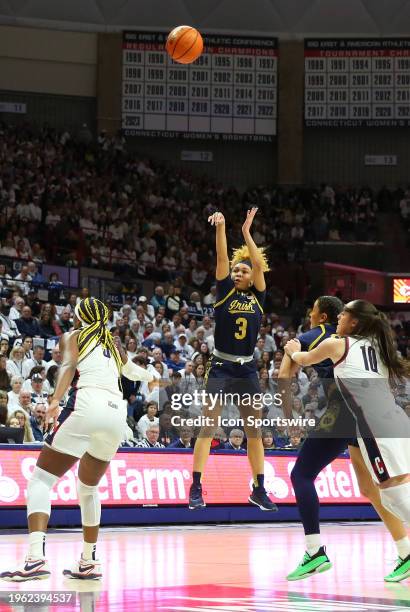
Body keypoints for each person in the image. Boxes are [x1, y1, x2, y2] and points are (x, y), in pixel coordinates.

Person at [0, 297, 156, 582]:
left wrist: (55, 399)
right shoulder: (113, 342)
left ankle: (35, 558)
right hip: (115, 415)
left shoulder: (75, 335)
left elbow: (69, 366)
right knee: (88, 488)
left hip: (88, 405)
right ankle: (88, 561)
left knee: (41, 481)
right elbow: (131, 371)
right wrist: (153, 376)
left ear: (81, 316)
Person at [279, 296, 410, 583]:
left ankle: (315, 552)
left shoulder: (327, 339)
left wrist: (291, 352)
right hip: (395, 418)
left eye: (311, 309)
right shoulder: (378, 345)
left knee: (303, 474)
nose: (339, 319)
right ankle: (405, 550)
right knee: (373, 488)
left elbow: (289, 369)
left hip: (362, 421)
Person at [188, 208, 276, 512]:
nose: (238, 273)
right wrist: (221, 227)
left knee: (254, 431)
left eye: (244, 270)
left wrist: (248, 233)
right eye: (235, 271)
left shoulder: (258, 297)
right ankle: (196, 486)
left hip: (247, 368)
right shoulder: (224, 291)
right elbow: (222, 257)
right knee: (208, 427)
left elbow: (259, 264)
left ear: (252, 275)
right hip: (222, 365)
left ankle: (259, 489)